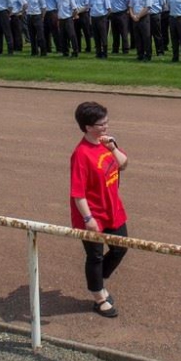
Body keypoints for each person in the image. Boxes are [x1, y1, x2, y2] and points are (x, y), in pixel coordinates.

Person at [69, 101, 128, 319]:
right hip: (92, 215)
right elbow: (78, 193)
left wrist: (113, 148)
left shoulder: (106, 143)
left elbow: (123, 163)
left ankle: (98, 282)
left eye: (106, 122)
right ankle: (98, 296)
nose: (105, 126)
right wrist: (88, 218)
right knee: (94, 256)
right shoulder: (81, 154)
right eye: (100, 123)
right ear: (87, 127)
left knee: (120, 248)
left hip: (113, 208)